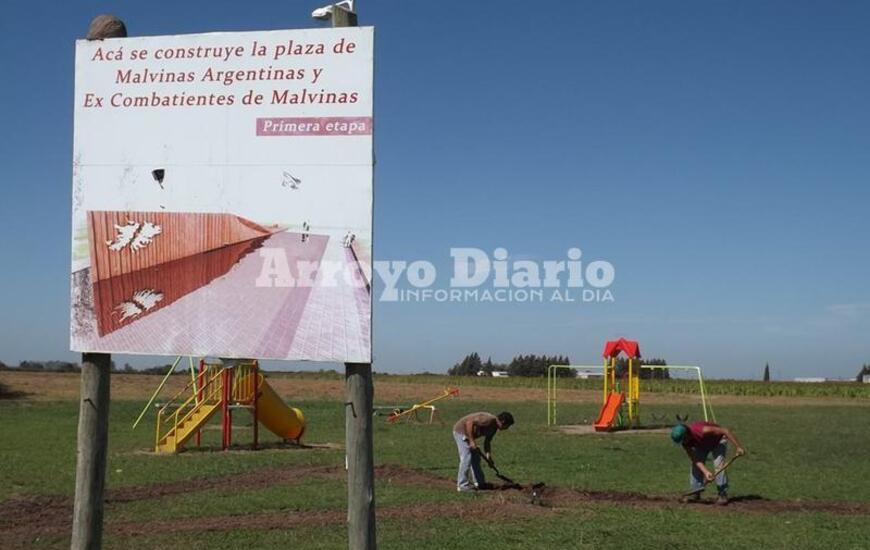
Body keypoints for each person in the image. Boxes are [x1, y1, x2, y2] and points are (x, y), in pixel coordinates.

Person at [671, 421, 746, 505]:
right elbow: (695, 460)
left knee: (719, 464)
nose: (683, 443)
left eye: (683, 440)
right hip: (702, 445)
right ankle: (695, 491)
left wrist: (738, 447)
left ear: (687, 434)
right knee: (695, 466)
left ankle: (722, 493)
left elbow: (725, 430)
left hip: (718, 441)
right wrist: (706, 472)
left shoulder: (703, 431)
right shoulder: (685, 443)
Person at [452, 411, 514, 492]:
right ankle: (462, 485)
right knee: (466, 458)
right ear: (502, 422)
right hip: (461, 431)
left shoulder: (494, 428)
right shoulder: (488, 419)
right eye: (507, 426)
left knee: (476, 459)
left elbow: (487, 442)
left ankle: (479, 483)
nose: (507, 428)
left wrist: (489, 457)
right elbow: (469, 423)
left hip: (470, 435)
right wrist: (471, 441)